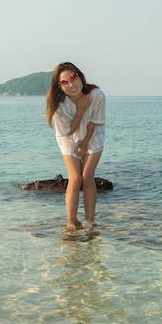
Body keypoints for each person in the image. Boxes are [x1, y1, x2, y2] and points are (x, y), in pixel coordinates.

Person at [46, 62, 106, 231]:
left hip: (93, 135)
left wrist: (85, 142)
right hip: (68, 137)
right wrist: (80, 110)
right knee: (75, 177)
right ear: (59, 86)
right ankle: (71, 221)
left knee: (87, 176)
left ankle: (90, 220)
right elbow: (67, 131)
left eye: (73, 77)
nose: (71, 84)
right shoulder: (58, 105)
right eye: (65, 82)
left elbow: (95, 121)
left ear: (80, 76)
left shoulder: (96, 95)